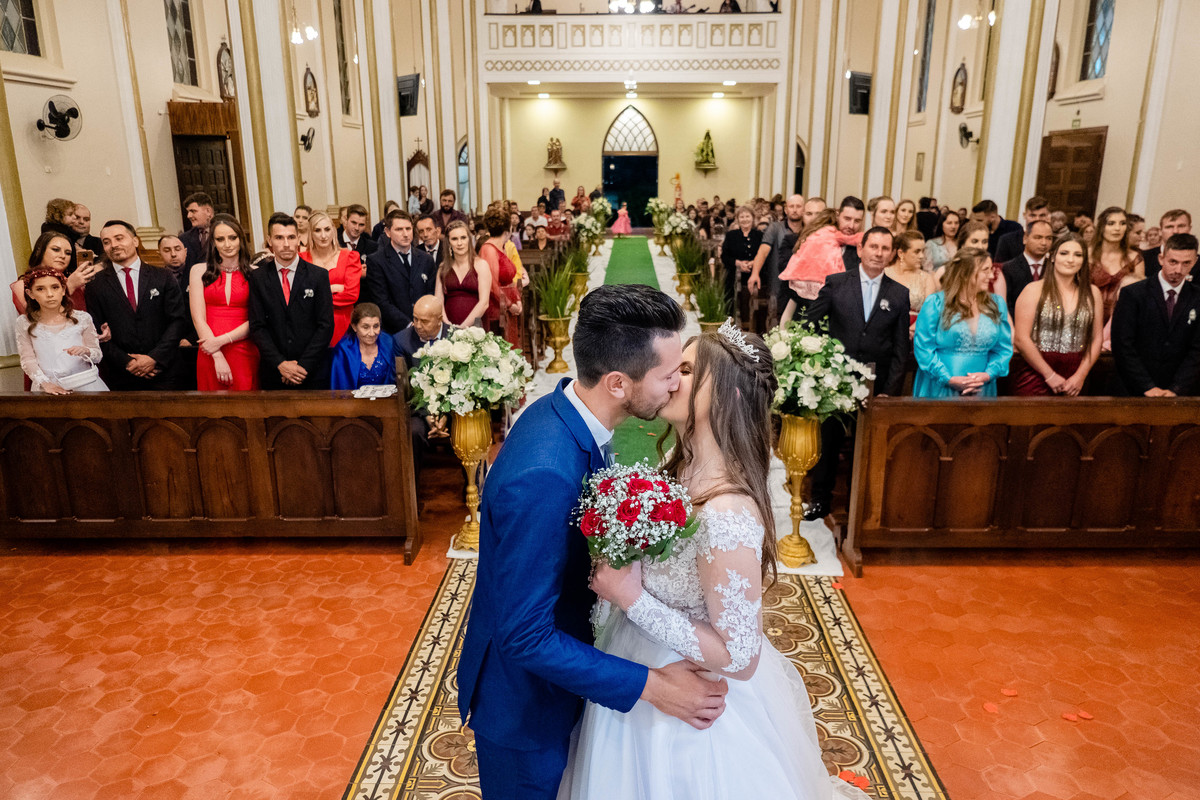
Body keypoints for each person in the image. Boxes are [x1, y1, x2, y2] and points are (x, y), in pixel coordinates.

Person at [566, 325, 869, 800]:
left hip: (693, 702)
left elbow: (741, 657)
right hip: (640, 667)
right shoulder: (678, 460)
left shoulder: (727, 513)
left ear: (728, 394)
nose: (671, 378)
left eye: (687, 370)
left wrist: (631, 598)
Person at [458, 284, 728, 800]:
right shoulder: (545, 473)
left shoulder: (564, 411)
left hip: (560, 678)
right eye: (668, 374)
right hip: (525, 711)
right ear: (618, 383)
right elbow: (525, 636)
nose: (677, 385)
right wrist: (657, 688)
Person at [802, 227, 910, 519]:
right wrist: (821, 366)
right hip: (836, 379)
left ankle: (858, 504)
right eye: (873, 246)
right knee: (828, 441)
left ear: (892, 254)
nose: (879, 253)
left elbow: (901, 348)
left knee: (866, 446)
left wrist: (889, 391)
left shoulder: (899, 294)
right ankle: (820, 499)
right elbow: (811, 325)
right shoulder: (837, 283)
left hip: (875, 384)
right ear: (860, 249)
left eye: (885, 248)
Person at [86, 220, 189, 390]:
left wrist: (154, 358)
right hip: (122, 375)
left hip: (166, 371)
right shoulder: (95, 284)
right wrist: (128, 362)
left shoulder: (163, 277)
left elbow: (177, 321)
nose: (114, 245)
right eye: (107, 242)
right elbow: (96, 331)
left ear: (135, 241)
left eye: (119, 238)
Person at [247, 212, 335, 389]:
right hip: (274, 372)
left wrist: (302, 366)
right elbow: (257, 326)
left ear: (299, 239)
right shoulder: (258, 278)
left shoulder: (318, 276)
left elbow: (325, 325)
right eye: (279, 238)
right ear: (270, 240)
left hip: (311, 371)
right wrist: (280, 364)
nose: (286, 244)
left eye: (291, 237)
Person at [912, 247, 1014, 398]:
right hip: (939, 387)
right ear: (966, 273)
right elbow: (923, 347)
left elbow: (1003, 349)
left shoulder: (996, 304)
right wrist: (947, 378)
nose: (991, 276)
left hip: (982, 389)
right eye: (985, 270)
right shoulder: (936, 303)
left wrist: (988, 374)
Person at [1011, 235, 1103, 396]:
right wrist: (1050, 375)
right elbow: (1021, 339)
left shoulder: (1092, 293)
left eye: (1078, 255)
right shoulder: (1033, 290)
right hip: (1037, 371)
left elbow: (1097, 339)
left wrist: (1080, 375)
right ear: (1052, 256)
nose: (1071, 260)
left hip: (1077, 374)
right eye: (1064, 253)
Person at [1110, 233, 1200, 397]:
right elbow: (1122, 344)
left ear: (1194, 262)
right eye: (1173, 262)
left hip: (1180, 392)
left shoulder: (1197, 297)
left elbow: (1197, 350)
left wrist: (1177, 388)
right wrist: (1147, 386)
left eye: (1186, 263)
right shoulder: (1133, 294)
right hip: (1133, 389)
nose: (1178, 270)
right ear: (1161, 259)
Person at [189, 214, 259, 391]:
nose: (227, 244)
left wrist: (222, 340)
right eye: (220, 239)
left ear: (241, 239)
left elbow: (257, 318)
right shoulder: (198, 271)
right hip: (208, 349)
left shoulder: (256, 273)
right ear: (213, 242)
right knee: (212, 404)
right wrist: (216, 353)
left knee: (246, 402)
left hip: (243, 349)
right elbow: (198, 318)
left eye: (232, 238)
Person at [15, 269, 107, 394]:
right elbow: (28, 359)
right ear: (30, 293)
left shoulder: (82, 318)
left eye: (55, 287)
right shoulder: (24, 322)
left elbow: (97, 355)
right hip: (48, 387)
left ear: (63, 290)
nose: (49, 294)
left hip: (83, 382)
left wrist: (85, 351)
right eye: (40, 289)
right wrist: (45, 383)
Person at [365, 210, 437, 334]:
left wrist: (423, 323)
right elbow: (381, 301)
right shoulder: (376, 261)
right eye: (399, 229)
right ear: (388, 232)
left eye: (408, 229)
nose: (405, 234)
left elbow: (431, 294)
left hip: (425, 328)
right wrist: (409, 325)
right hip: (394, 330)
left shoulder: (426, 259)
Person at [302, 211, 362, 345]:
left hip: (342, 327)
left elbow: (351, 295)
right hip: (311, 327)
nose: (323, 236)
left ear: (334, 231)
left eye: (327, 229)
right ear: (311, 233)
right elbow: (300, 297)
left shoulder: (350, 257)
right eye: (317, 230)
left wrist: (316, 295)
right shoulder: (301, 260)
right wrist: (331, 288)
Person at [11, 232, 99, 317]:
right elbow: (36, 319)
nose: (63, 256)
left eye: (68, 253)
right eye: (56, 250)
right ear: (39, 250)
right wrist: (69, 286)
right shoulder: (23, 285)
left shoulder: (78, 283)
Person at [1089, 206, 1145, 326]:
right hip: (1088, 317)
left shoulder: (1135, 258)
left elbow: (1139, 297)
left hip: (1121, 320)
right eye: (1111, 223)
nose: (1117, 228)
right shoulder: (1087, 255)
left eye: (1122, 223)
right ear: (1101, 227)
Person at [748, 193, 804, 307]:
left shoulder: (809, 230)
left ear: (804, 209)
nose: (794, 210)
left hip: (803, 287)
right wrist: (755, 273)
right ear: (786, 210)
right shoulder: (775, 227)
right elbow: (763, 252)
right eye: (791, 206)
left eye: (798, 206)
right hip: (777, 286)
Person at [479, 208, 523, 347]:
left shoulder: (502, 247)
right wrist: (509, 304)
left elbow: (509, 280)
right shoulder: (489, 249)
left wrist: (517, 299)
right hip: (497, 308)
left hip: (507, 305)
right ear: (508, 228)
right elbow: (492, 285)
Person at [435, 220, 491, 327]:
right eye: (454, 239)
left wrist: (462, 328)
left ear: (469, 239)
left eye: (463, 238)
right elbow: (438, 301)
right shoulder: (443, 268)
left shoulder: (481, 265)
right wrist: (447, 324)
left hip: (475, 326)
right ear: (448, 242)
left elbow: (484, 303)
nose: (459, 243)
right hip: (449, 325)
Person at [330, 302, 397, 390]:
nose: (372, 333)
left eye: (376, 326)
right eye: (366, 327)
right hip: (352, 398)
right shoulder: (343, 350)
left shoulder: (389, 343)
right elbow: (340, 388)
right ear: (354, 327)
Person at [885, 230, 939, 333]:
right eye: (917, 251)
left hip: (916, 329)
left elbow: (929, 311)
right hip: (886, 329)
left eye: (923, 251)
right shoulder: (885, 274)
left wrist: (913, 329)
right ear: (901, 253)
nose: (922, 256)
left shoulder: (926, 278)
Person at [999, 219, 1055, 317]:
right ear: (1025, 238)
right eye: (1038, 237)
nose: (1044, 243)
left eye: (1049, 238)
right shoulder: (1008, 268)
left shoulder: (1054, 269)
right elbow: (1006, 304)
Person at [720, 205, 762, 313]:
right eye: (742, 217)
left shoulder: (760, 235)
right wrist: (738, 263)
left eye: (747, 216)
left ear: (753, 218)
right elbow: (724, 257)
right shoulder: (731, 235)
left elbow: (765, 255)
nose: (745, 219)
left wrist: (754, 262)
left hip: (755, 275)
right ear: (737, 219)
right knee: (732, 305)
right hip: (734, 276)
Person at [994, 196, 1051, 264]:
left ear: (1048, 216)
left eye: (1042, 215)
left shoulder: (1056, 241)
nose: (1037, 219)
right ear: (1024, 215)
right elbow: (999, 267)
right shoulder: (1007, 240)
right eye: (1032, 215)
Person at [1141, 209, 1191, 280]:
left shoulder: (1198, 262)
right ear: (1160, 231)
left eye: (1181, 226)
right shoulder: (1142, 258)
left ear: (1189, 229)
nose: (1175, 231)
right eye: (1169, 227)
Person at [41, 198, 79, 274]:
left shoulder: (68, 232)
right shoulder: (59, 234)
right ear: (58, 216)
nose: (75, 217)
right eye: (70, 214)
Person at [179, 192, 215, 268]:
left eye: (193, 211)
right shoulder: (184, 238)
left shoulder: (225, 235)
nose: (188, 216)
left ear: (208, 211)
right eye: (188, 212)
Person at [835, 196, 866, 271]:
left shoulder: (862, 248)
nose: (851, 226)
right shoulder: (822, 238)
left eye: (857, 221)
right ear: (837, 215)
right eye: (847, 219)